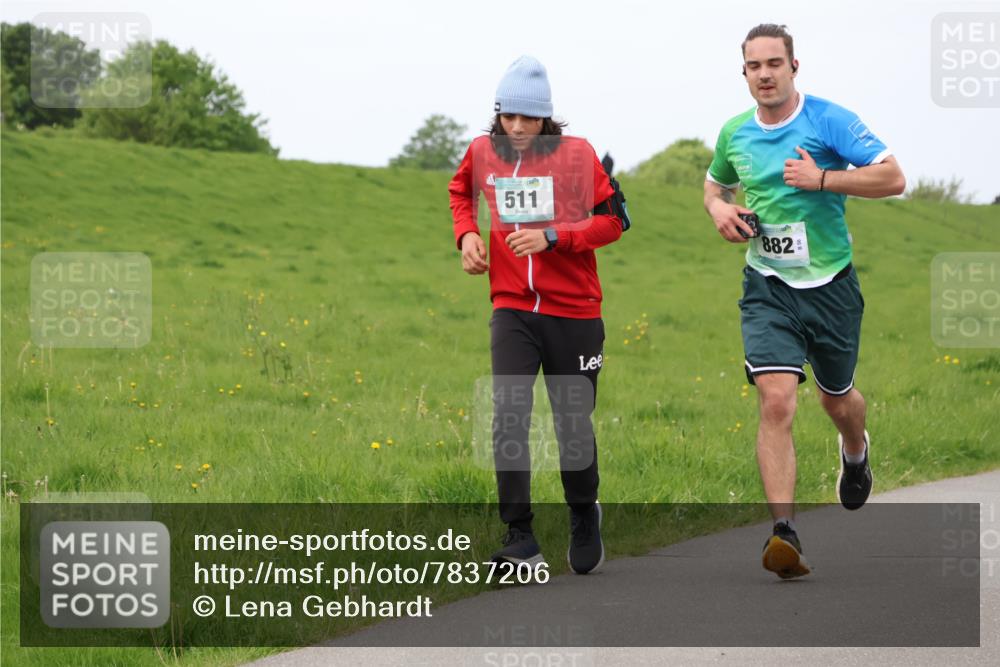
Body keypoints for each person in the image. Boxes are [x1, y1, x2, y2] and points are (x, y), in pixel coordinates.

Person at [703, 24, 906, 579]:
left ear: (795, 67)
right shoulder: (735, 134)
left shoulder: (828, 120)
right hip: (767, 286)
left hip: (832, 287)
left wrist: (822, 179)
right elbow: (715, 186)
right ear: (743, 73)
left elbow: (893, 177)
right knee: (776, 400)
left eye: (775, 63)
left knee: (837, 399)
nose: (765, 74)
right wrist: (720, 210)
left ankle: (856, 449)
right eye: (754, 66)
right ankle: (784, 534)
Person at [448, 55, 623, 575]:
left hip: (574, 311)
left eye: (528, 118)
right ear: (497, 115)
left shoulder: (577, 156)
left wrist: (555, 238)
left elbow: (614, 222)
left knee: (572, 422)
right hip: (511, 307)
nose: (517, 128)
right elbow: (460, 192)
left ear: (546, 117)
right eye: (508, 117)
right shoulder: (482, 152)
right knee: (508, 415)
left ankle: (582, 511)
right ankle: (519, 535)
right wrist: (469, 235)